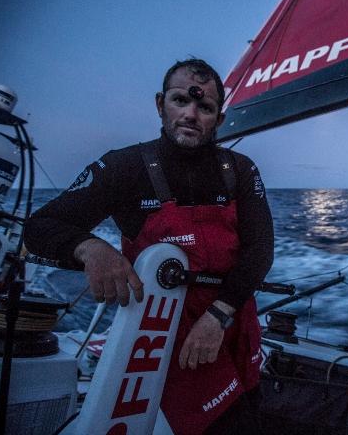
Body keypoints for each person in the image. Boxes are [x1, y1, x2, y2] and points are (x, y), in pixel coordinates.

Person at [23, 59, 273, 434]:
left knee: (251, 409)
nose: (190, 114)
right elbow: (39, 227)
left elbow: (261, 249)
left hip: (233, 317)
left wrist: (219, 315)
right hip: (163, 333)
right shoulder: (124, 167)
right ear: (160, 105)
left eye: (204, 108)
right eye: (179, 101)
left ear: (218, 120)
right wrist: (90, 248)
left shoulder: (240, 169)